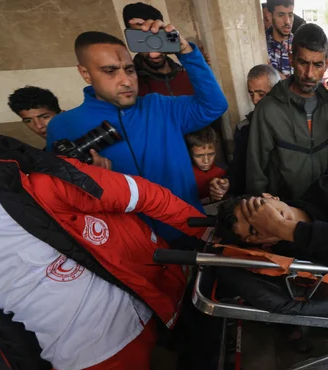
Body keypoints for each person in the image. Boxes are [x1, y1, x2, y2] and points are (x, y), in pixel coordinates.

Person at [0, 135, 207, 370]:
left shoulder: (38, 183)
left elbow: (147, 195)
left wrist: (214, 236)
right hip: (52, 344)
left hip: (105, 334)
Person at [46, 25, 227, 244]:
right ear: (85, 73)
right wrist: (89, 183)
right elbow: (59, 199)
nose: (125, 81)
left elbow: (214, 106)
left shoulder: (161, 106)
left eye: (129, 70)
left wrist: (186, 52)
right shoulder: (64, 126)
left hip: (189, 228)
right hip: (128, 243)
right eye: (110, 71)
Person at [246, 23, 328, 199]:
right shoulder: (268, 110)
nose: (309, 73)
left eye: (318, 64)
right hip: (283, 214)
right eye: (303, 62)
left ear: (326, 64)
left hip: (323, 210)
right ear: (291, 58)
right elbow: (255, 174)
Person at [122, 3, 194, 96]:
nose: (153, 53)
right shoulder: (128, 84)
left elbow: (215, 106)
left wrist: (189, 55)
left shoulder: (188, 74)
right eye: (143, 40)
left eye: (156, 38)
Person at [230, 64, 280, 195]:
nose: (255, 100)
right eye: (251, 94)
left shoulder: (292, 123)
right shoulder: (244, 128)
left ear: (277, 91)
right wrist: (225, 182)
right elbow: (239, 170)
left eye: (261, 94)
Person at [185, 127, 228, 205]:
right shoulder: (185, 176)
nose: (206, 161)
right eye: (199, 156)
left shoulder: (222, 171)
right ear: (190, 154)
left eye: (211, 154)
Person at [265, 0, 295, 77]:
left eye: (290, 15)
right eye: (281, 15)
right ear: (269, 16)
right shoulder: (260, 46)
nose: (287, 22)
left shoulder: (300, 46)